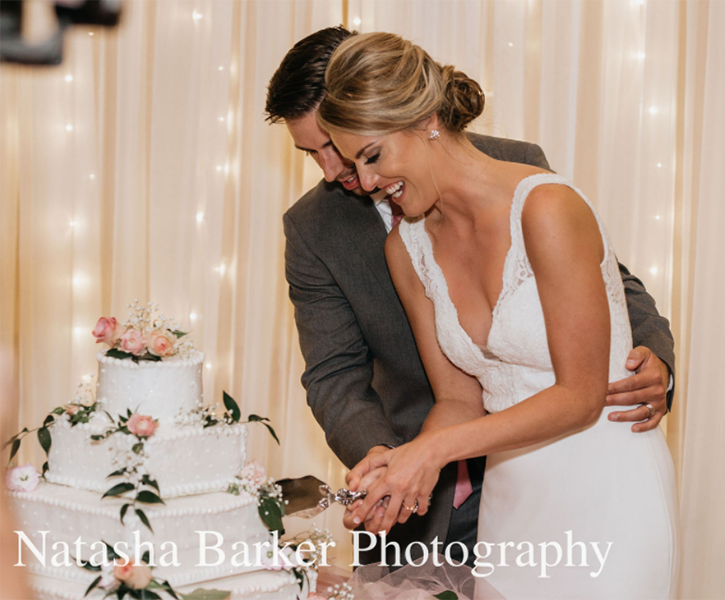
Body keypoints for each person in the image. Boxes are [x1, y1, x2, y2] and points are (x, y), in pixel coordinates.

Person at [266, 26, 676, 571]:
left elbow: (608, 284)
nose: (348, 175)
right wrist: (394, 463)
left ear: (408, 114)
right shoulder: (338, 232)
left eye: (350, 149)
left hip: (596, 481)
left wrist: (655, 359)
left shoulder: (528, 179)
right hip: (450, 492)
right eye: (317, 153)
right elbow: (338, 376)